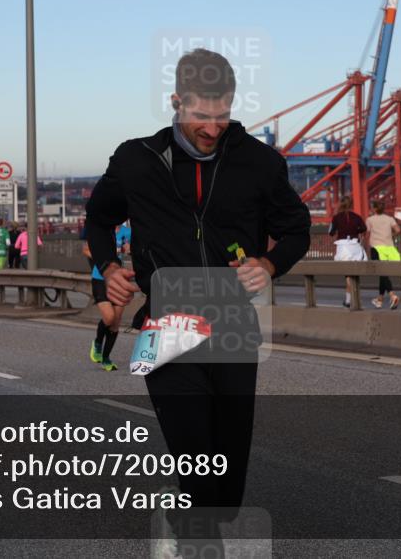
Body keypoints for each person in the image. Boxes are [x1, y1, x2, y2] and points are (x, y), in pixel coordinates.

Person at [86, 48, 310, 556]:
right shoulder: (136, 160)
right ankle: (195, 536)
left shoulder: (258, 162)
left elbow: (297, 230)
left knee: (225, 488)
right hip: (164, 324)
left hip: (234, 325)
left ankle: (193, 510)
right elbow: (98, 218)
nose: (212, 127)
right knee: (196, 462)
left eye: (222, 114)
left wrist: (270, 265)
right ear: (177, 101)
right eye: (201, 115)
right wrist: (109, 271)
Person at [82, 224, 127, 371]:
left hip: (119, 278)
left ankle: (106, 359)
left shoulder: (127, 231)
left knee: (116, 322)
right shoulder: (101, 229)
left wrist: (129, 249)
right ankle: (97, 343)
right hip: (100, 277)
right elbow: (86, 250)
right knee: (109, 318)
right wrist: (102, 256)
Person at [329, 196, 367, 307]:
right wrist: (357, 231)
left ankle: (349, 300)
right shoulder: (357, 217)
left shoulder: (336, 218)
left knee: (348, 276)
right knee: (354, 274)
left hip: (343, 247)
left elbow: (331, 232)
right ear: (351, 205)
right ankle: (353, 299)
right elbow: (363, 229)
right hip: (355, 246)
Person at [365, 200, 401, 310]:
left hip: (377, 248)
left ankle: (392, 295)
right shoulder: (389, 219)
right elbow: (398, 230)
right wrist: (391, 236)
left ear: (374, 209)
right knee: (383, 274)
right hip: (389, 248)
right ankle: (379, 300)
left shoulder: (370, 220)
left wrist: (367, 247)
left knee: (382, 273)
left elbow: (367, 233)